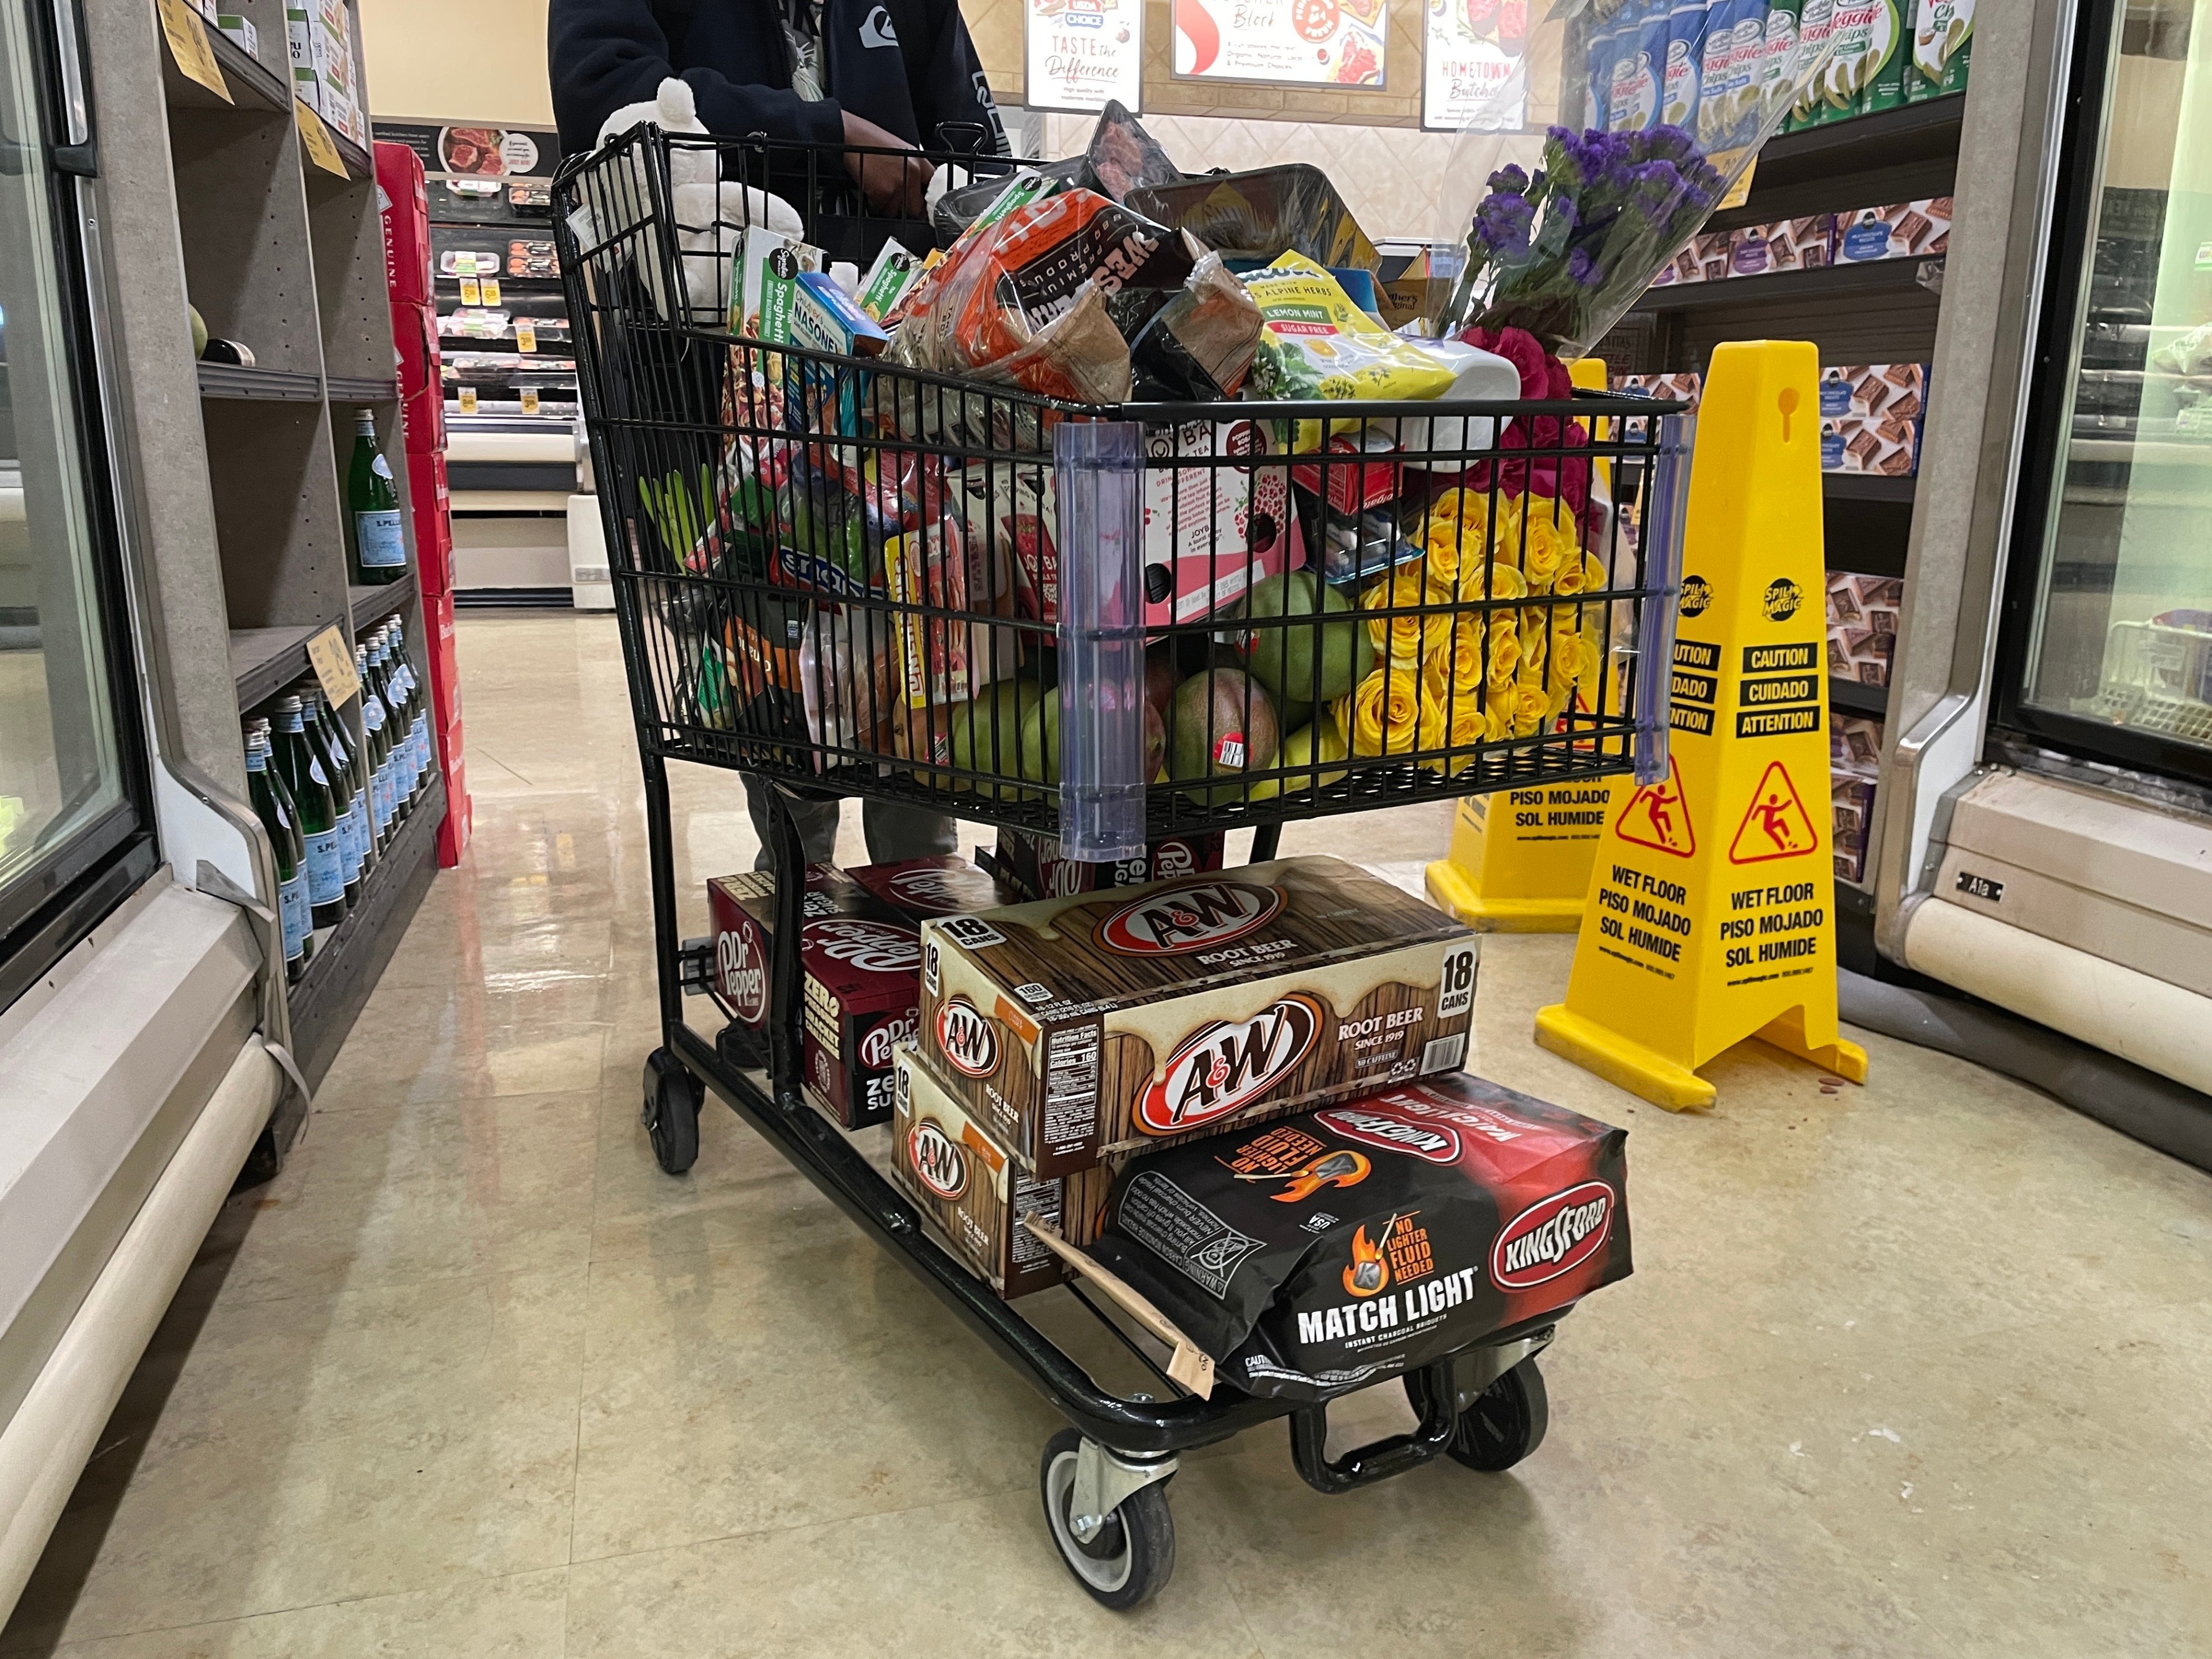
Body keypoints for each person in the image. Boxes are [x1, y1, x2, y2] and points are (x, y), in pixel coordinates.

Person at [552, 0, 999, 866]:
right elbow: (600, 95)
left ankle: (910, 919)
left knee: (919, 701)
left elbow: (972, 142)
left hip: (897, 391)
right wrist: (826, 132)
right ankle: (801, 929)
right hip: (716, 389)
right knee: (780, 721)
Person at [550, 0, 1007, 207]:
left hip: (889, 336)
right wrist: (830, 131)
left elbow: (976, 153)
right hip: (699, 328)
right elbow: (603, 95)